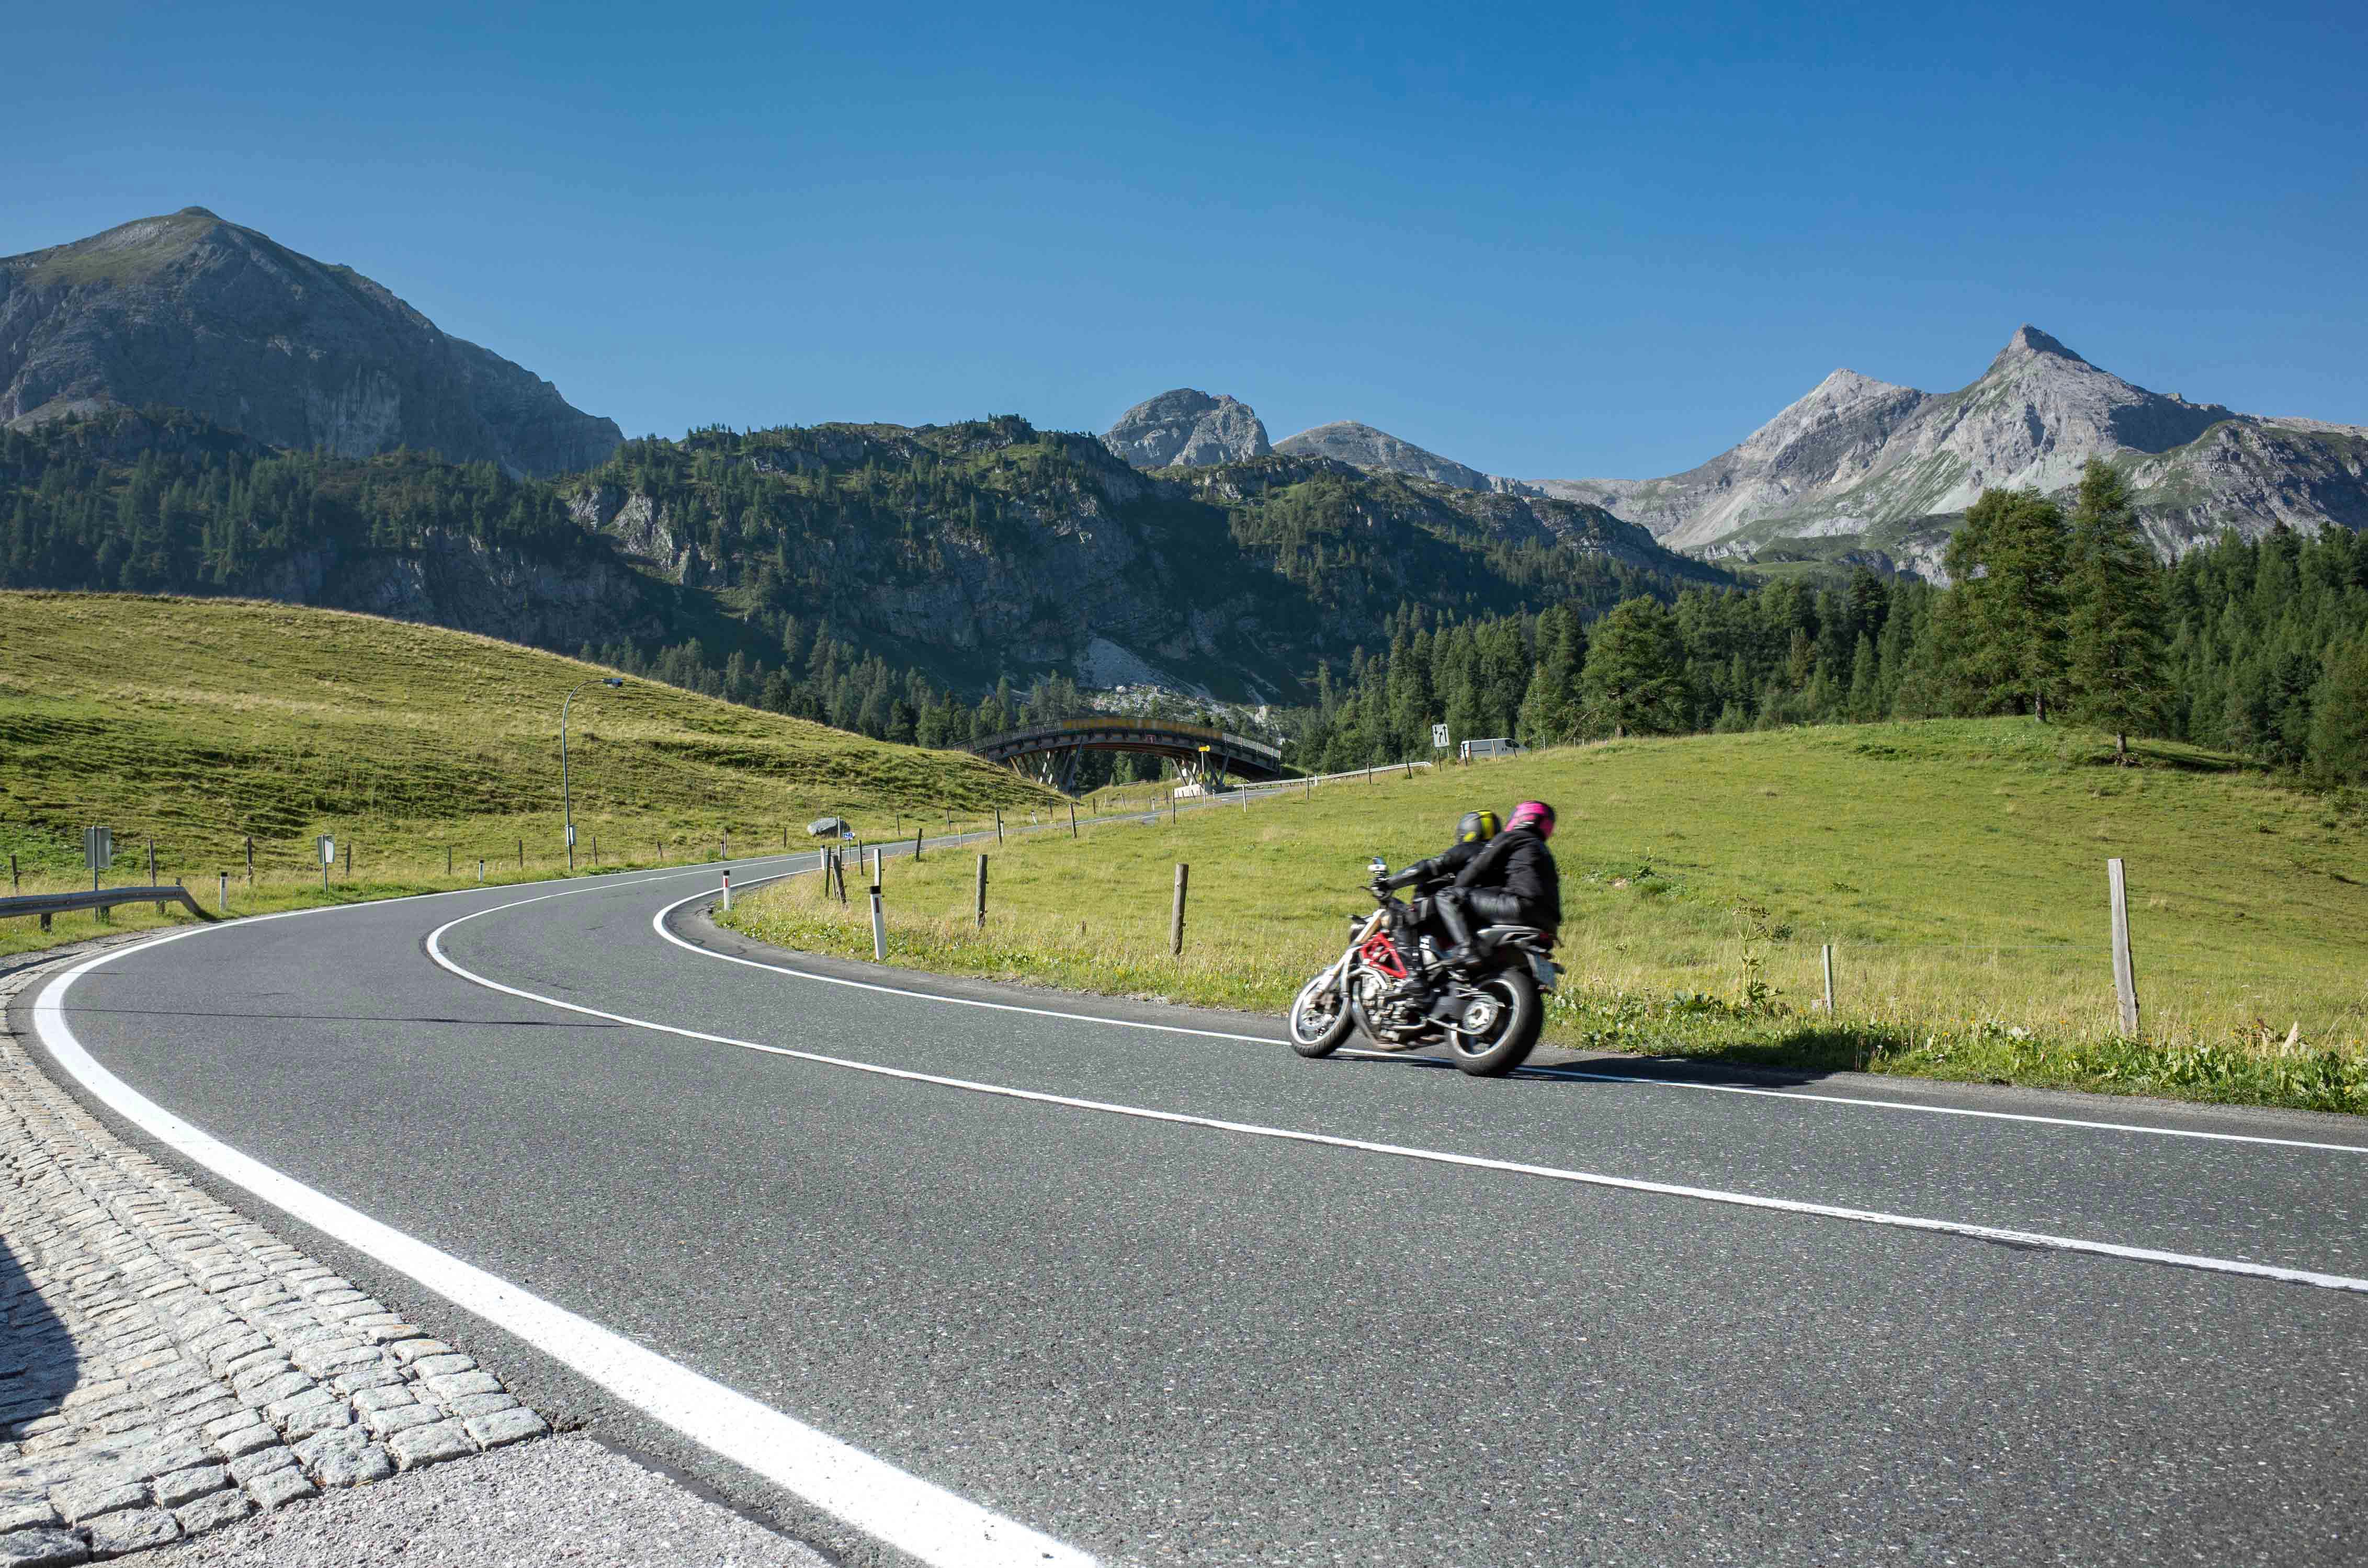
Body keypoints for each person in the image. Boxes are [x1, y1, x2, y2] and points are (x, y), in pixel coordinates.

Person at [1433, 800, 1560, 971]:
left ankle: (1466, 949)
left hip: (1520, 906)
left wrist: (1458, 888)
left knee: (1448, 895)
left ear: (1522, 817)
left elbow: (1476, 869)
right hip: (1550, 923)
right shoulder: (1543, 851)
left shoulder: (1511, 837)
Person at [1381, 810, 1500, 963]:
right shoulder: (1502, 853)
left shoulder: (1470, 848)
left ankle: (1411, 972)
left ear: (1467, 831)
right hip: (1486, 910)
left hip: (1459, 908)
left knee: (1401, 917)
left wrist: (1390, 883)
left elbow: (1427, 868)